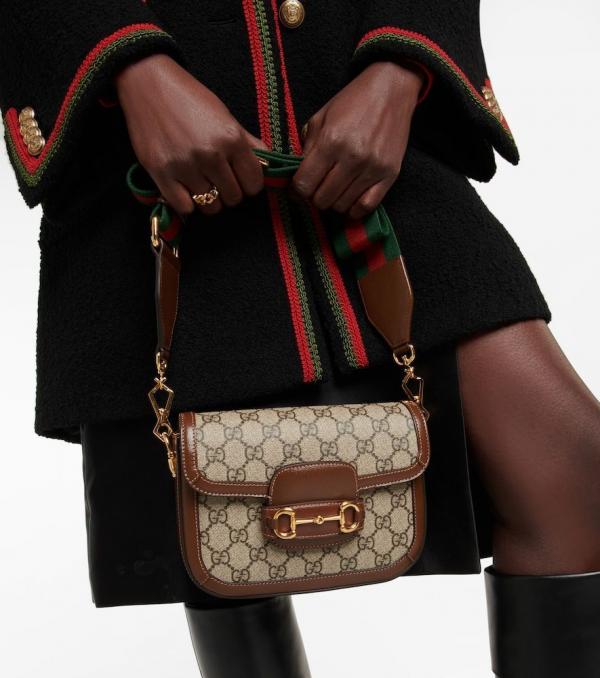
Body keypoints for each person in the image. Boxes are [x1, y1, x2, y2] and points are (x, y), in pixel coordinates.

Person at [1, 1, 598, 677]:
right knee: (221, 539)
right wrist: (128, 61)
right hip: (160, 150)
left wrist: (401, 63)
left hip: (364, 121)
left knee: (575, 470)